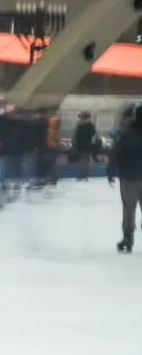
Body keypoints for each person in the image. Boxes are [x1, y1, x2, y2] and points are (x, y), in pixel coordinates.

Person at [107, 108, 142, 253]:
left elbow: (115, 154)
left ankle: (128, 237)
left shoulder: (127, 135)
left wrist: (111, 172)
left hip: (130, 178)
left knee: (129, 208)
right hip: (131, 176)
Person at [72, 112, 99, 180]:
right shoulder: (81, 125)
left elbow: (94, 136)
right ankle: (85, 174)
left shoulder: (88, 125)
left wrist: (91, 144)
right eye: (81, 118)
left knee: (83, 160)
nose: (81, 119)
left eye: (82, 118)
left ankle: (84, 175)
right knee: (84, 160)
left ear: (86, 118)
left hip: (85, 146)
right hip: (82, 145)